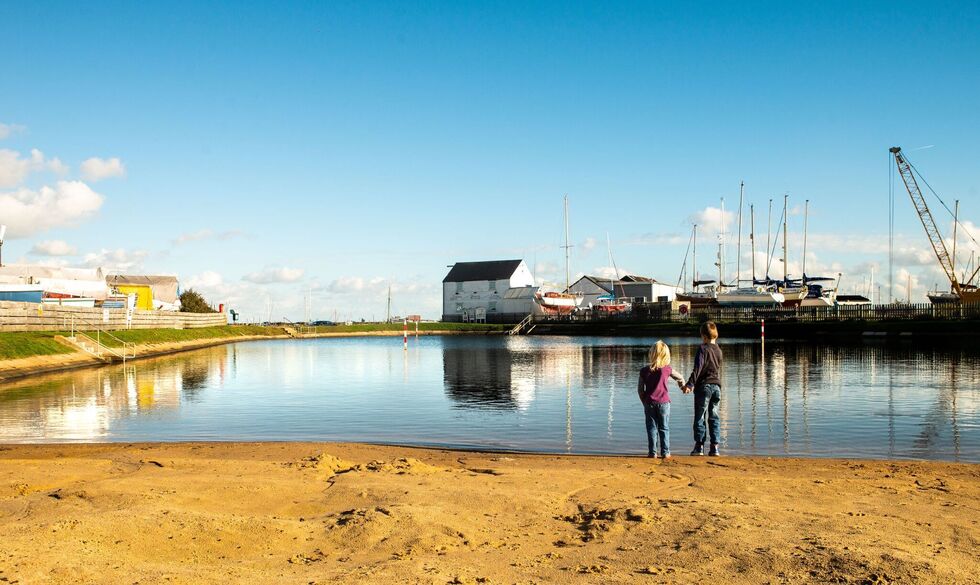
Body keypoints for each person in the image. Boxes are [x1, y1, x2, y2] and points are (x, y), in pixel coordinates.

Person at [637, 340, 685, 458]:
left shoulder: (644, 371)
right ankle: (665, 452)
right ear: (666, 355)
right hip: (664, 403)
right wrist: (682, 386)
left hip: (649, 403)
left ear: (651, 354)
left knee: (651, 428)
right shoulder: (666, 369)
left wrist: (644, 401)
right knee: (664, 428)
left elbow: (640, 389)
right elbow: (680, 377)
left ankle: (652, 452)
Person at [682, 321, 723, 456]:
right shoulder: (719, 350)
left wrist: (690, 384)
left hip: (704, 387)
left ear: (704, 336)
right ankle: (715, 447)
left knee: (700, 417)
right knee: (714, 417)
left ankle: (699, 446)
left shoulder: (703, 348)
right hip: (717, 386)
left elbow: (698, 368)